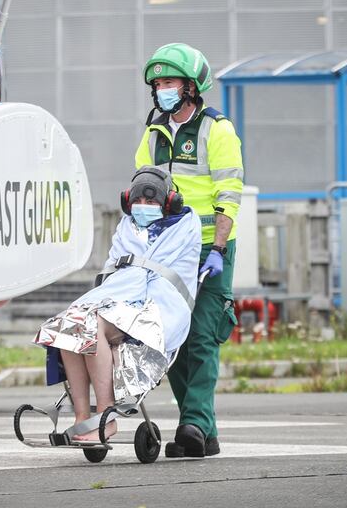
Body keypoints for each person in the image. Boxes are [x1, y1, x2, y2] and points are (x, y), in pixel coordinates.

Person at [34, 167, 201, 441]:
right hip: (119, 299)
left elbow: (154, 276)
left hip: (158, 305)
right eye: (138, 201)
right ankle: (81, 417)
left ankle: (106, 417)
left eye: (151, 202)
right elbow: (116, 272)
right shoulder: (127, 227)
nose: (143, 207)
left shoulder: (184, 227)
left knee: (90, 323)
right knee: (67, 324)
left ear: (168, 204)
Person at [135, 43, 244, 458]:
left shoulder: (218, 130)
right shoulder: (153, 133)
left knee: (202, 336)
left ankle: (193, 423)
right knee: (173, 340)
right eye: (158, 82)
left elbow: (229, 194)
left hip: (209, 249)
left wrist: (218, 247)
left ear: (192, 87)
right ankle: (202, 433)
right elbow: (145, 186)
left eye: (170, 82)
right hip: (167, 250)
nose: (162, 89)